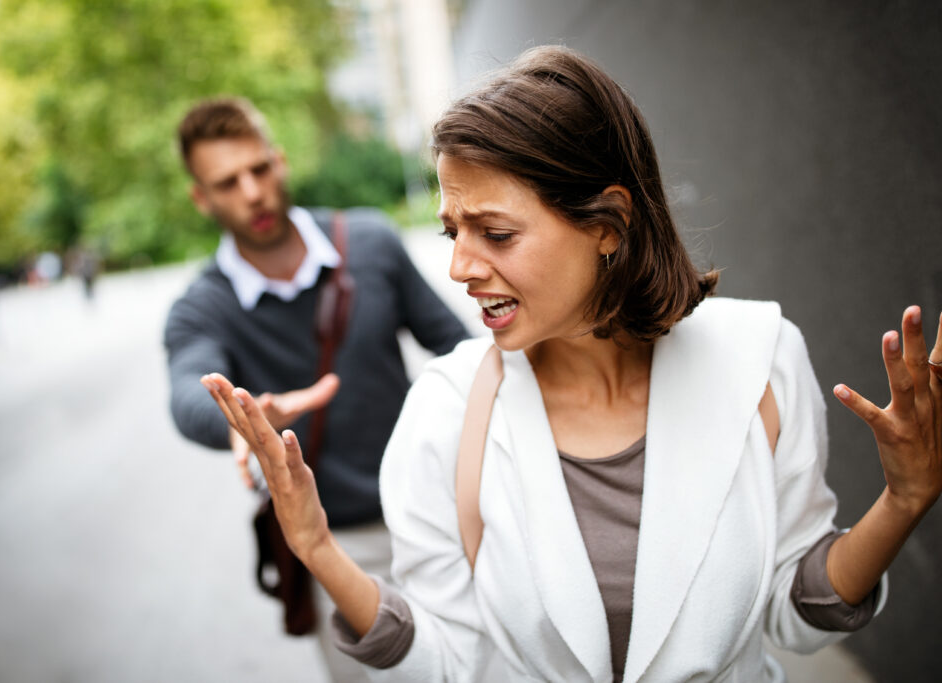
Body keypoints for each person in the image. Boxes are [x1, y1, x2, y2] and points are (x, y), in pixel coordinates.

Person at [200, 47, 942, 682]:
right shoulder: (445, 409)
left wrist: (903, 500)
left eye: (494, 232)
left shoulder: (761, 358)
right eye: (453, 230)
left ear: (608, 224)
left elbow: (796, 612)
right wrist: (321, 552)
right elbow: (450, 662)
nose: (460, 265)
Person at [163, 97, 469, 681]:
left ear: (280, 163)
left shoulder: (371, 242)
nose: (251, 192)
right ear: (201, 198)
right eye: (227, 182)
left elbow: (456, 348)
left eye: (259, 169)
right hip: (336, 543)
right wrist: (240, 419)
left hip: (441, 515)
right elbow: (184, 391)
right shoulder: (204, 306)